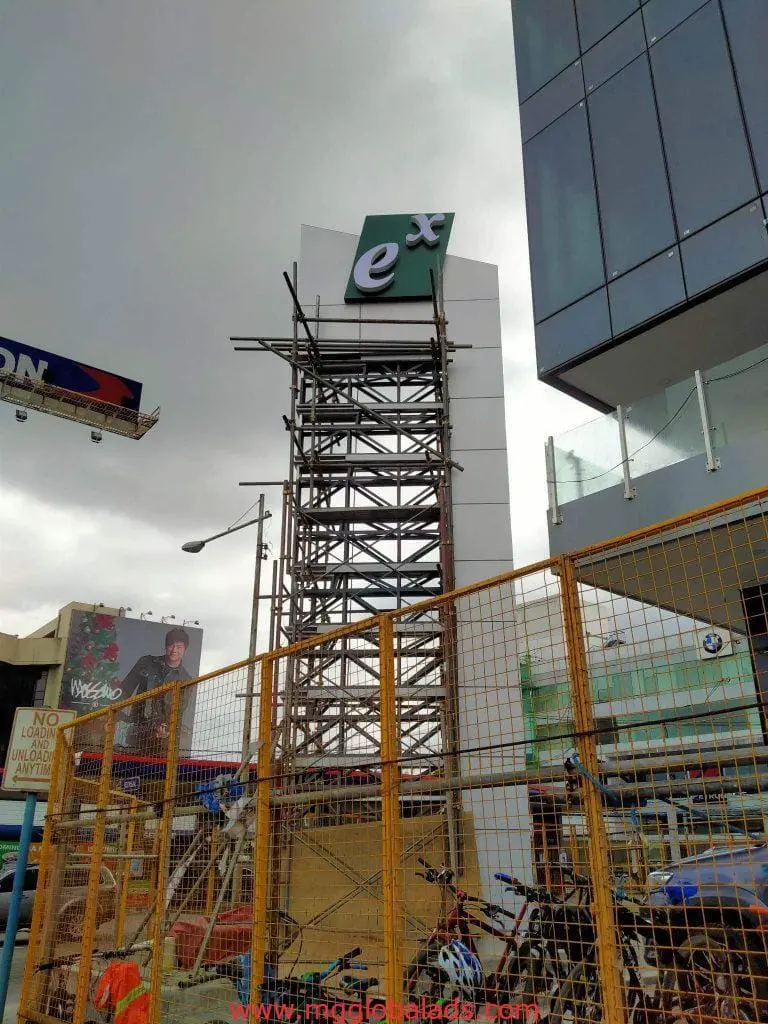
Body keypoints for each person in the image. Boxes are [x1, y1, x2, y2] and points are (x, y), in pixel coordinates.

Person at [116, 628, 192, 753]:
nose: (174, 650)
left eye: (179, 647)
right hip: (136, 729)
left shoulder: (186, 679)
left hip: (161, 740)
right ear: (165, 646)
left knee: (156, 771)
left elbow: (178, 711)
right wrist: (112, 717)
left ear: (185, 649)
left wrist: (166, 729)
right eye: (171, 645)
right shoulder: (146, 662)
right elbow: (124, 691)